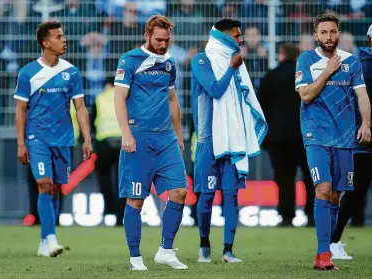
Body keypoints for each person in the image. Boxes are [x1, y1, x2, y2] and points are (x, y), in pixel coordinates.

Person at [295, 14, 370, 270]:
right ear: (316, 36)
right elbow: (305, 95)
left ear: (338, 34)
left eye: (333, 31)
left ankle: (322, 254)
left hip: (345, 138)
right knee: (323, 189)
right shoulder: (306, 60)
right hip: (315, 136)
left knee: (336, 195)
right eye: (324, 32)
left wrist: (366, 123)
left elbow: (362, 96)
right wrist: (327, 72)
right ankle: (324, 253)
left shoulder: (351, 62)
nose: (329, 36)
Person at [114, 15, 188, 271]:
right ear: (147, 36)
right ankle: (135, 258)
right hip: (139, 136)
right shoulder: (130, 60)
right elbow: (119, 98)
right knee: (136, 200)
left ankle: (166, 250)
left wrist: (178, 134)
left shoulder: (169, 62)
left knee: (180, 192)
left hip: (165, 137)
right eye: (158, 39)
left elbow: (171, 100)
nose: (163, 44)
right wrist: (126, 133)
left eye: (167, 40)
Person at [192, 19, 267, 264]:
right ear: (224, 37)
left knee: (232, 196)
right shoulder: (201, 60)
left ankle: (228, 250)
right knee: (206, 197)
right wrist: (232, 69)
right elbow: (215, 90)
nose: (240, 40)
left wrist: (234, 67)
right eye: (236, 36)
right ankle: (204, 245)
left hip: (232, 141)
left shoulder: (236, 63)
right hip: (208, 140)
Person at [14, 20, 92, 257]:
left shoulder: (71, 72)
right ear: (45, 43)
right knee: (44, 184)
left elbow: (80, 107)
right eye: (59, 37)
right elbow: (20, 110)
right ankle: (50, 238)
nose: (64, 40)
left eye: (63, 36)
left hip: (64, 139)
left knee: (56, 188)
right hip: (37, 138)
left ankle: (43, 240)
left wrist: (86, 138)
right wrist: (21, 143)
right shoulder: (28, 73)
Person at [258, 43, 315, 226]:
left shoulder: (271, 76)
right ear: (297, 56)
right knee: (310, 177)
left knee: (284, 178)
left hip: (278, 138)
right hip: (304, 136)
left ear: (281, 54)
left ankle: (287, 215)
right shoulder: (306, 77)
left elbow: (261, 106)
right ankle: (312, 215)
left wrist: (264, 137)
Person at [330, 24, 372, 260]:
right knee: (355, 193)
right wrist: (363, 126)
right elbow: (360, 103)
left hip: (362, 137)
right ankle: (333, 241)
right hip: (364, 139)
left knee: (355, 193)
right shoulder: (365, 66)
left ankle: (334, 240)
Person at [91, 78, 125, 226]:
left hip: (104, 143)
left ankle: (109, 207)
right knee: (121, 181)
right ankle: (120, 216)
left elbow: (92, 122)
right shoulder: (125, 98)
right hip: (123, 143)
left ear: (107, 85)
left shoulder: (100, 98)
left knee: (104, 178)